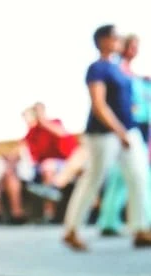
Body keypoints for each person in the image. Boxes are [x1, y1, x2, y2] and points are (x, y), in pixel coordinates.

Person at [62, 25, 151, 251]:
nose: (119, 40)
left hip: (128, 131)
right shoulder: (98, 68)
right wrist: (120, 131)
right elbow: (99, 105)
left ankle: (141, 228)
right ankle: (72, 229)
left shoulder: (118, 69)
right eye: (115, 36)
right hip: (105, 134)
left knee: (139, 177)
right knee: (94, 178)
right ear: (103, 40)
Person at [98, 34, 151, 236]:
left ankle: (110, 221)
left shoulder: (132, 74)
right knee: (137, 176)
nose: (134, 50)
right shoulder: (116, 70)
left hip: (138, 126)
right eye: (131, 45)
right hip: (127, 127)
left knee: (125, 176)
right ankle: (139, 224)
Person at [23, 102, 88, 222]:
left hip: (65, 163)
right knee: (47, 168)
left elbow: (62, 134)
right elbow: (32, 157)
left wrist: (43, 121)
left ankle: (53, 191)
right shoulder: (31, 134)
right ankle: (50, 212)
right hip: (44, 168)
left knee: (50, 167)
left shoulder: (54, 123)